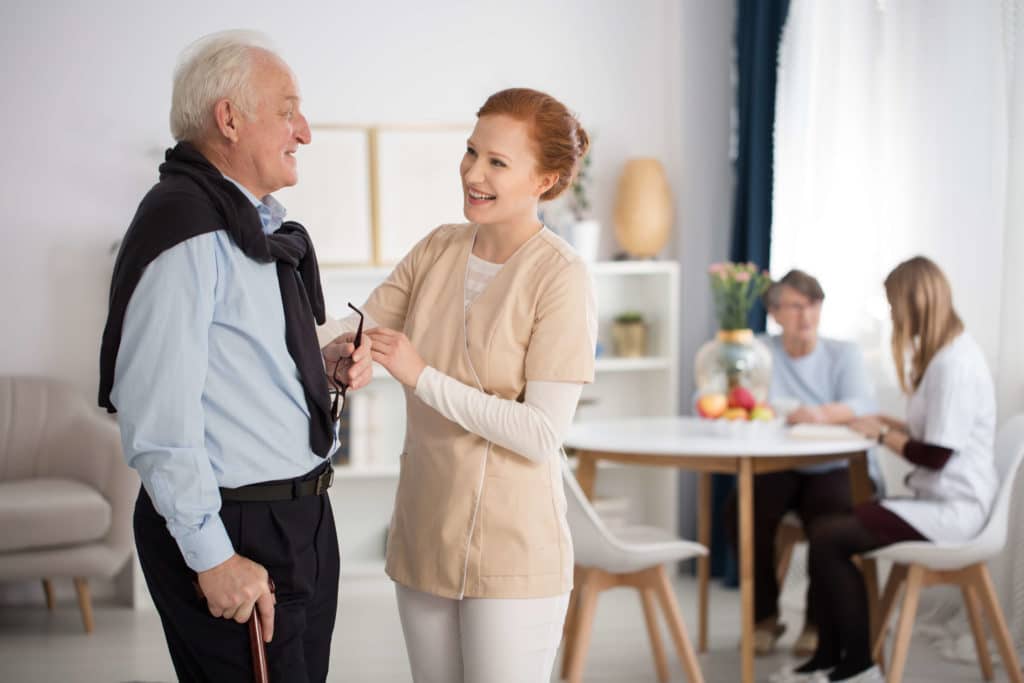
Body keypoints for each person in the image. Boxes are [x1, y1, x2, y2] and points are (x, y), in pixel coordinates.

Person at [98, 30, 371, 682]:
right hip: (237, 529)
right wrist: (211, 556)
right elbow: (156, 415)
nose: (304, 131)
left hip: (298, 521)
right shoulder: (184, 227)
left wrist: (316, 360)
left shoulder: (243, 223)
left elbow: (234, 358)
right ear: (229, 118)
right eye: (288, 110)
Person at [318, 87, 596, 682]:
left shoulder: (561, 277)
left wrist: (421, 377)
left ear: (544, 180)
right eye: (471, 152)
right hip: (425, 528)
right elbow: (354, 326)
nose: (473, 172)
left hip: (514, 547)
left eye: (497, 162)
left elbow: (541, 433)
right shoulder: (437, 248)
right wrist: (315, 345)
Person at [780, 256, 997, 683]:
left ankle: (857, 666)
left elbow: (935, 455)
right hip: (940, 501)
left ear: (916, 303)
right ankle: (827, 658)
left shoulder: (953, 364)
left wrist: (880, 436)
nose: (893, 315)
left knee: (828, 536)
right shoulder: (943, 356)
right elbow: (933, 431)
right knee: (827, 528)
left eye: (895, 305)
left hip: (955, 511)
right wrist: (886, 422)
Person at [723, 269, 878, 657]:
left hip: (832, 466)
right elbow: (725, 395)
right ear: (775, 313)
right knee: (742, 512)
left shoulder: (843, 354)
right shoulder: (760, 351)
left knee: (830, 523)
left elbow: (863, 405)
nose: (806, 315)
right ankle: (763, 618)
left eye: (813, 305)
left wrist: (820, 413)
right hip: (778, 465)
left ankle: (816, 623)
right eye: (795, 306)